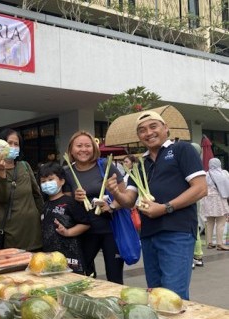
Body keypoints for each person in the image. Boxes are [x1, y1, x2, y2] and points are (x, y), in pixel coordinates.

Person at [106, 111, 207, 299]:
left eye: (154, 126)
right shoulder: (141, 164)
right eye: (142, 130)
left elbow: (200, 188)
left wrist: (165, 208)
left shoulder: (181, 150)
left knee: (173, 296)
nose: (148, 133)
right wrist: (116, 192)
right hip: (149, 235)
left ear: (165, 128)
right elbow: (129, 201)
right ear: (139, 136)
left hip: (177, 232)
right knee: (156, 295)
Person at [63, 131, 125, 284]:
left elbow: (124, 195)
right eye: (79, 146)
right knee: (86, 274)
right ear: (71, 149)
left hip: (110, 230)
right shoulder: (67, 172)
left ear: (94, 148)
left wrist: (111, 206)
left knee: (114, 276)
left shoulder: (105, 166)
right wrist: (74, 198)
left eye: (87, 146)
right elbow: (63, 199)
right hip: (84, 231)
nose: (83, 149)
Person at [0, 128, 44, 251]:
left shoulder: (25, 166)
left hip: (34, 231)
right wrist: (1, 173)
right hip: (10, 234)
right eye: (9, 143)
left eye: (16, 144)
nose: (13, 147)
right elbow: (1, 197)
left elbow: (36, 194)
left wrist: (43, 217)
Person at [39, 162, 90, 274]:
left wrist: (68, 232)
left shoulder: (69, 202)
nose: (47, 183)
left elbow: (85, 224)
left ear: (62, 181)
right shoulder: (44, 205)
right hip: (50, 258)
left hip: (70, 258)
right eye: (43, 181)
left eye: (51, 179)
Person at [201, 158, 229, 251]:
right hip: (219, 199)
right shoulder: (223, 174)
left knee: (209, 222)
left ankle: (209, 243)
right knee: (221, 222)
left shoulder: (206, 174)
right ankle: (220, 244)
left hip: (207, 199)